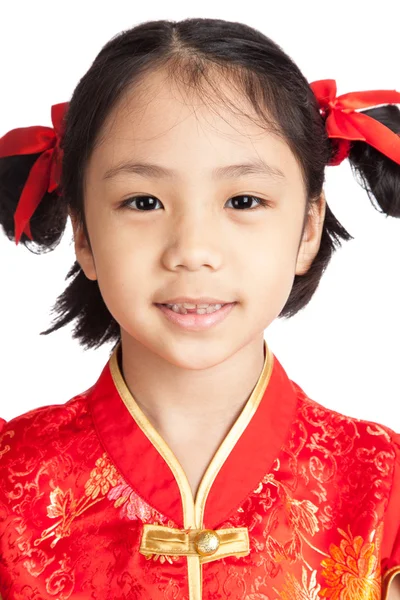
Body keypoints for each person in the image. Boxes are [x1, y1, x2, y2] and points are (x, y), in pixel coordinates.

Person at [0, 17, 399, 600]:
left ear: (308, 226)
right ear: (83, 233)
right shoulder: (9, 480)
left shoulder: (383, 487)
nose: (192, 251)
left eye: (243, 200)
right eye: (143, 201)